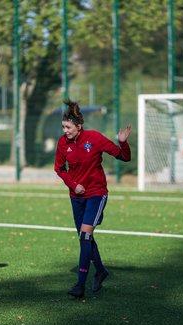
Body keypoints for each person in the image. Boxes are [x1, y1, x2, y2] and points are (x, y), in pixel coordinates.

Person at [54, 99, 131, 298]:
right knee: (84, 238)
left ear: (79, 127)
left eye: (68, 127)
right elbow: (59, 169)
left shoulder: (94, 138)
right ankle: (101, 271)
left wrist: (122, 142)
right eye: (63, 127)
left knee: (85, 236)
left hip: (96, 193)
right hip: (75, 196)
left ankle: (80, 285)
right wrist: (73, 185)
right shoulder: (63, 143)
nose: (65, 131)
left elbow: (123, 156)